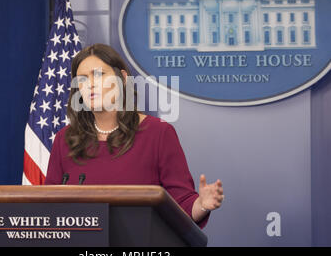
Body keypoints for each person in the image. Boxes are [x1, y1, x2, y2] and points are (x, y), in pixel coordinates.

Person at [44, 43, 224, 228]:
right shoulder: (64, 140)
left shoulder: (158, 133)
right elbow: (48, 208)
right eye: (81, 79)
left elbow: (182, 204)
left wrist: (202, 205)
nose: (90, 84)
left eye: (99, 75)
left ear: (122, 78)